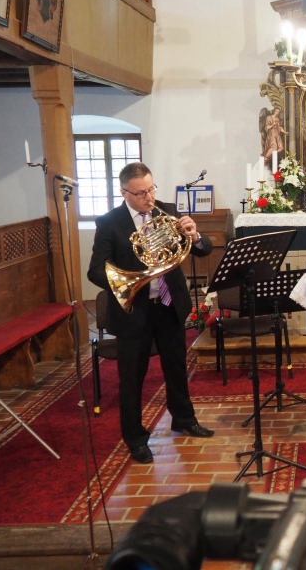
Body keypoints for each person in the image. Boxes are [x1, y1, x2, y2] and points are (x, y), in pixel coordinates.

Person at [88, 162, 215, 464]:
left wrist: (196, 236)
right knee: (132, 377)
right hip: (135, 310)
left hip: (169, 306)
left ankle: (184, 419)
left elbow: (203, 249)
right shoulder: (110, 223)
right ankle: (135, 438)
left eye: (151, 189)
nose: (149, 197)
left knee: (176, 367)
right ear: (125, 193)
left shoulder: (167, 211)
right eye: (141, 193)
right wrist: (129, 281)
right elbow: (95, 270)